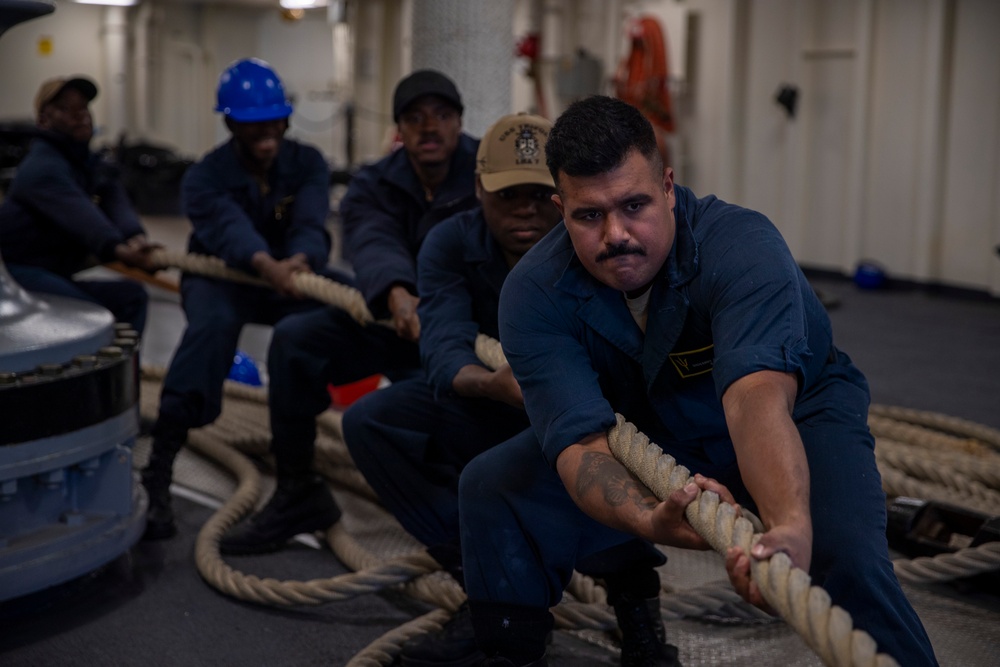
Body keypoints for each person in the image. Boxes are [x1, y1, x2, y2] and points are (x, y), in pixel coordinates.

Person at [459, 96, 939, 667]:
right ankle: (509, 650)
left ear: (667, 185)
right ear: (561, 209)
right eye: (589, 215)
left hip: (796, 414)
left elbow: (754, 397)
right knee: (492, 487)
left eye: (634, 205)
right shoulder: (534, 292)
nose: (616, 234)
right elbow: (580, 445)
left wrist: (788, 525)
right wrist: (644, 516)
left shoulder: (740, 246)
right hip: (654, 422)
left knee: (844, 557)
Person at [218, 69, 480, 555]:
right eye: (416, 118)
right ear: (399, 128)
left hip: (468, 332)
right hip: (394, 316)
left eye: (442, 116)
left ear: (460, 122)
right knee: (296, 341)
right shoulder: (375, 182)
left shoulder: (488, 173)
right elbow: (372, 237)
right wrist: (398, 292)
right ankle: (298, 491)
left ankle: (473, 526)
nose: (430, 128)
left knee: (443, 427)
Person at [342, 113, 564, 667]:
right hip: (493, 398)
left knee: (616, 453)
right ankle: (481, 577)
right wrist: (491, 383)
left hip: (571, 411)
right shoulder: (449, 242)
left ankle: (639, 613)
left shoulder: (583, 242)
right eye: (510, 193)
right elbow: (442, 349)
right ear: (479, 190)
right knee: (372, 422)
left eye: (541, 193)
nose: (526, 208)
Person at [141, 58, 352, 540]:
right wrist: (264, 263)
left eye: (274, 123)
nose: (267, 135)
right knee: (209, 331)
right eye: (254, 125)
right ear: (231, 123)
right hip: (225, 278)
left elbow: (312, 220)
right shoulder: (203, 177)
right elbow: (227, 229)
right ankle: (159, 468)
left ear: (286, 119)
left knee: (346, 310)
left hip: (291, 276)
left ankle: (298, 475)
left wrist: (300, 258)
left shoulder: (308, 164)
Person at [0, 75, 157, 334]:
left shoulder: (84, 162)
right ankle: (91, 373)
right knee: (92, 317)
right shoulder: (43, 167)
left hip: (50, 270)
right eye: (65, 109)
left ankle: (123, 374)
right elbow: (83, 218)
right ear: (43, 121)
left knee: (132, 297)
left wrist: (135, 235)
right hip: (16, 273)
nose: (80, 116)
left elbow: (112, 193)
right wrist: (117, 248)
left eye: (83, 108)